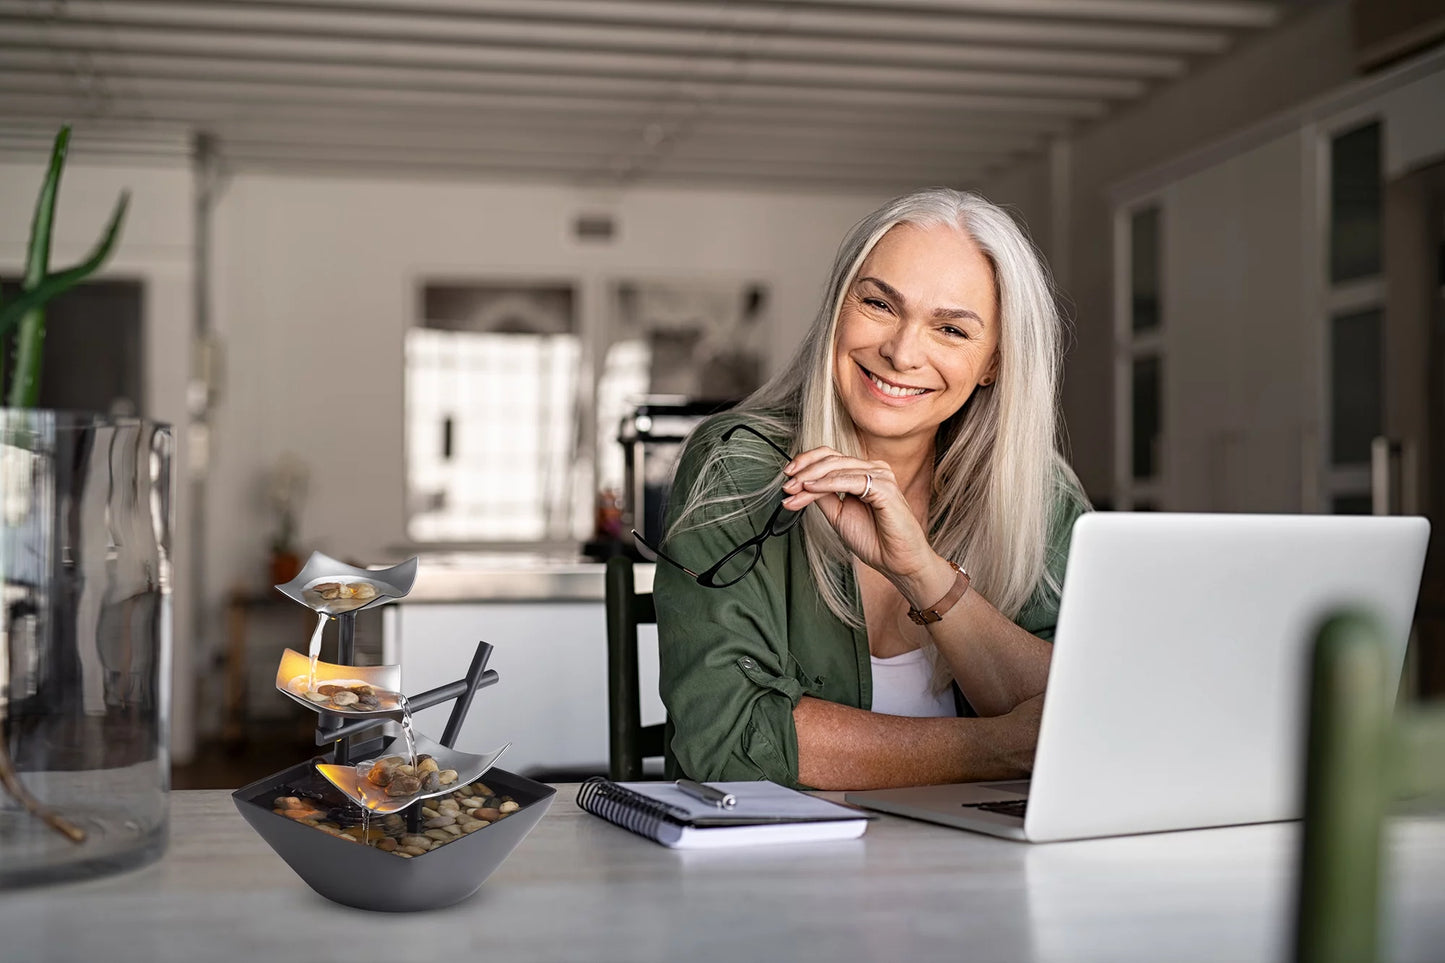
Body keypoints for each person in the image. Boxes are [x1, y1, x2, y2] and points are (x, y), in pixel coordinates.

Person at [644, 187, 1090, 790]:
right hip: (779, 848)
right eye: (879, 304)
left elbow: (1090, 718)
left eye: (951, 329)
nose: (902, 353)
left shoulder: (1038, 492)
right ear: (838, 307)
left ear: (994, 363)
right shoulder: (738, 463)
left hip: (982, 846)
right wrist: (996, 748)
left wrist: (923, 574)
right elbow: (728, 742)